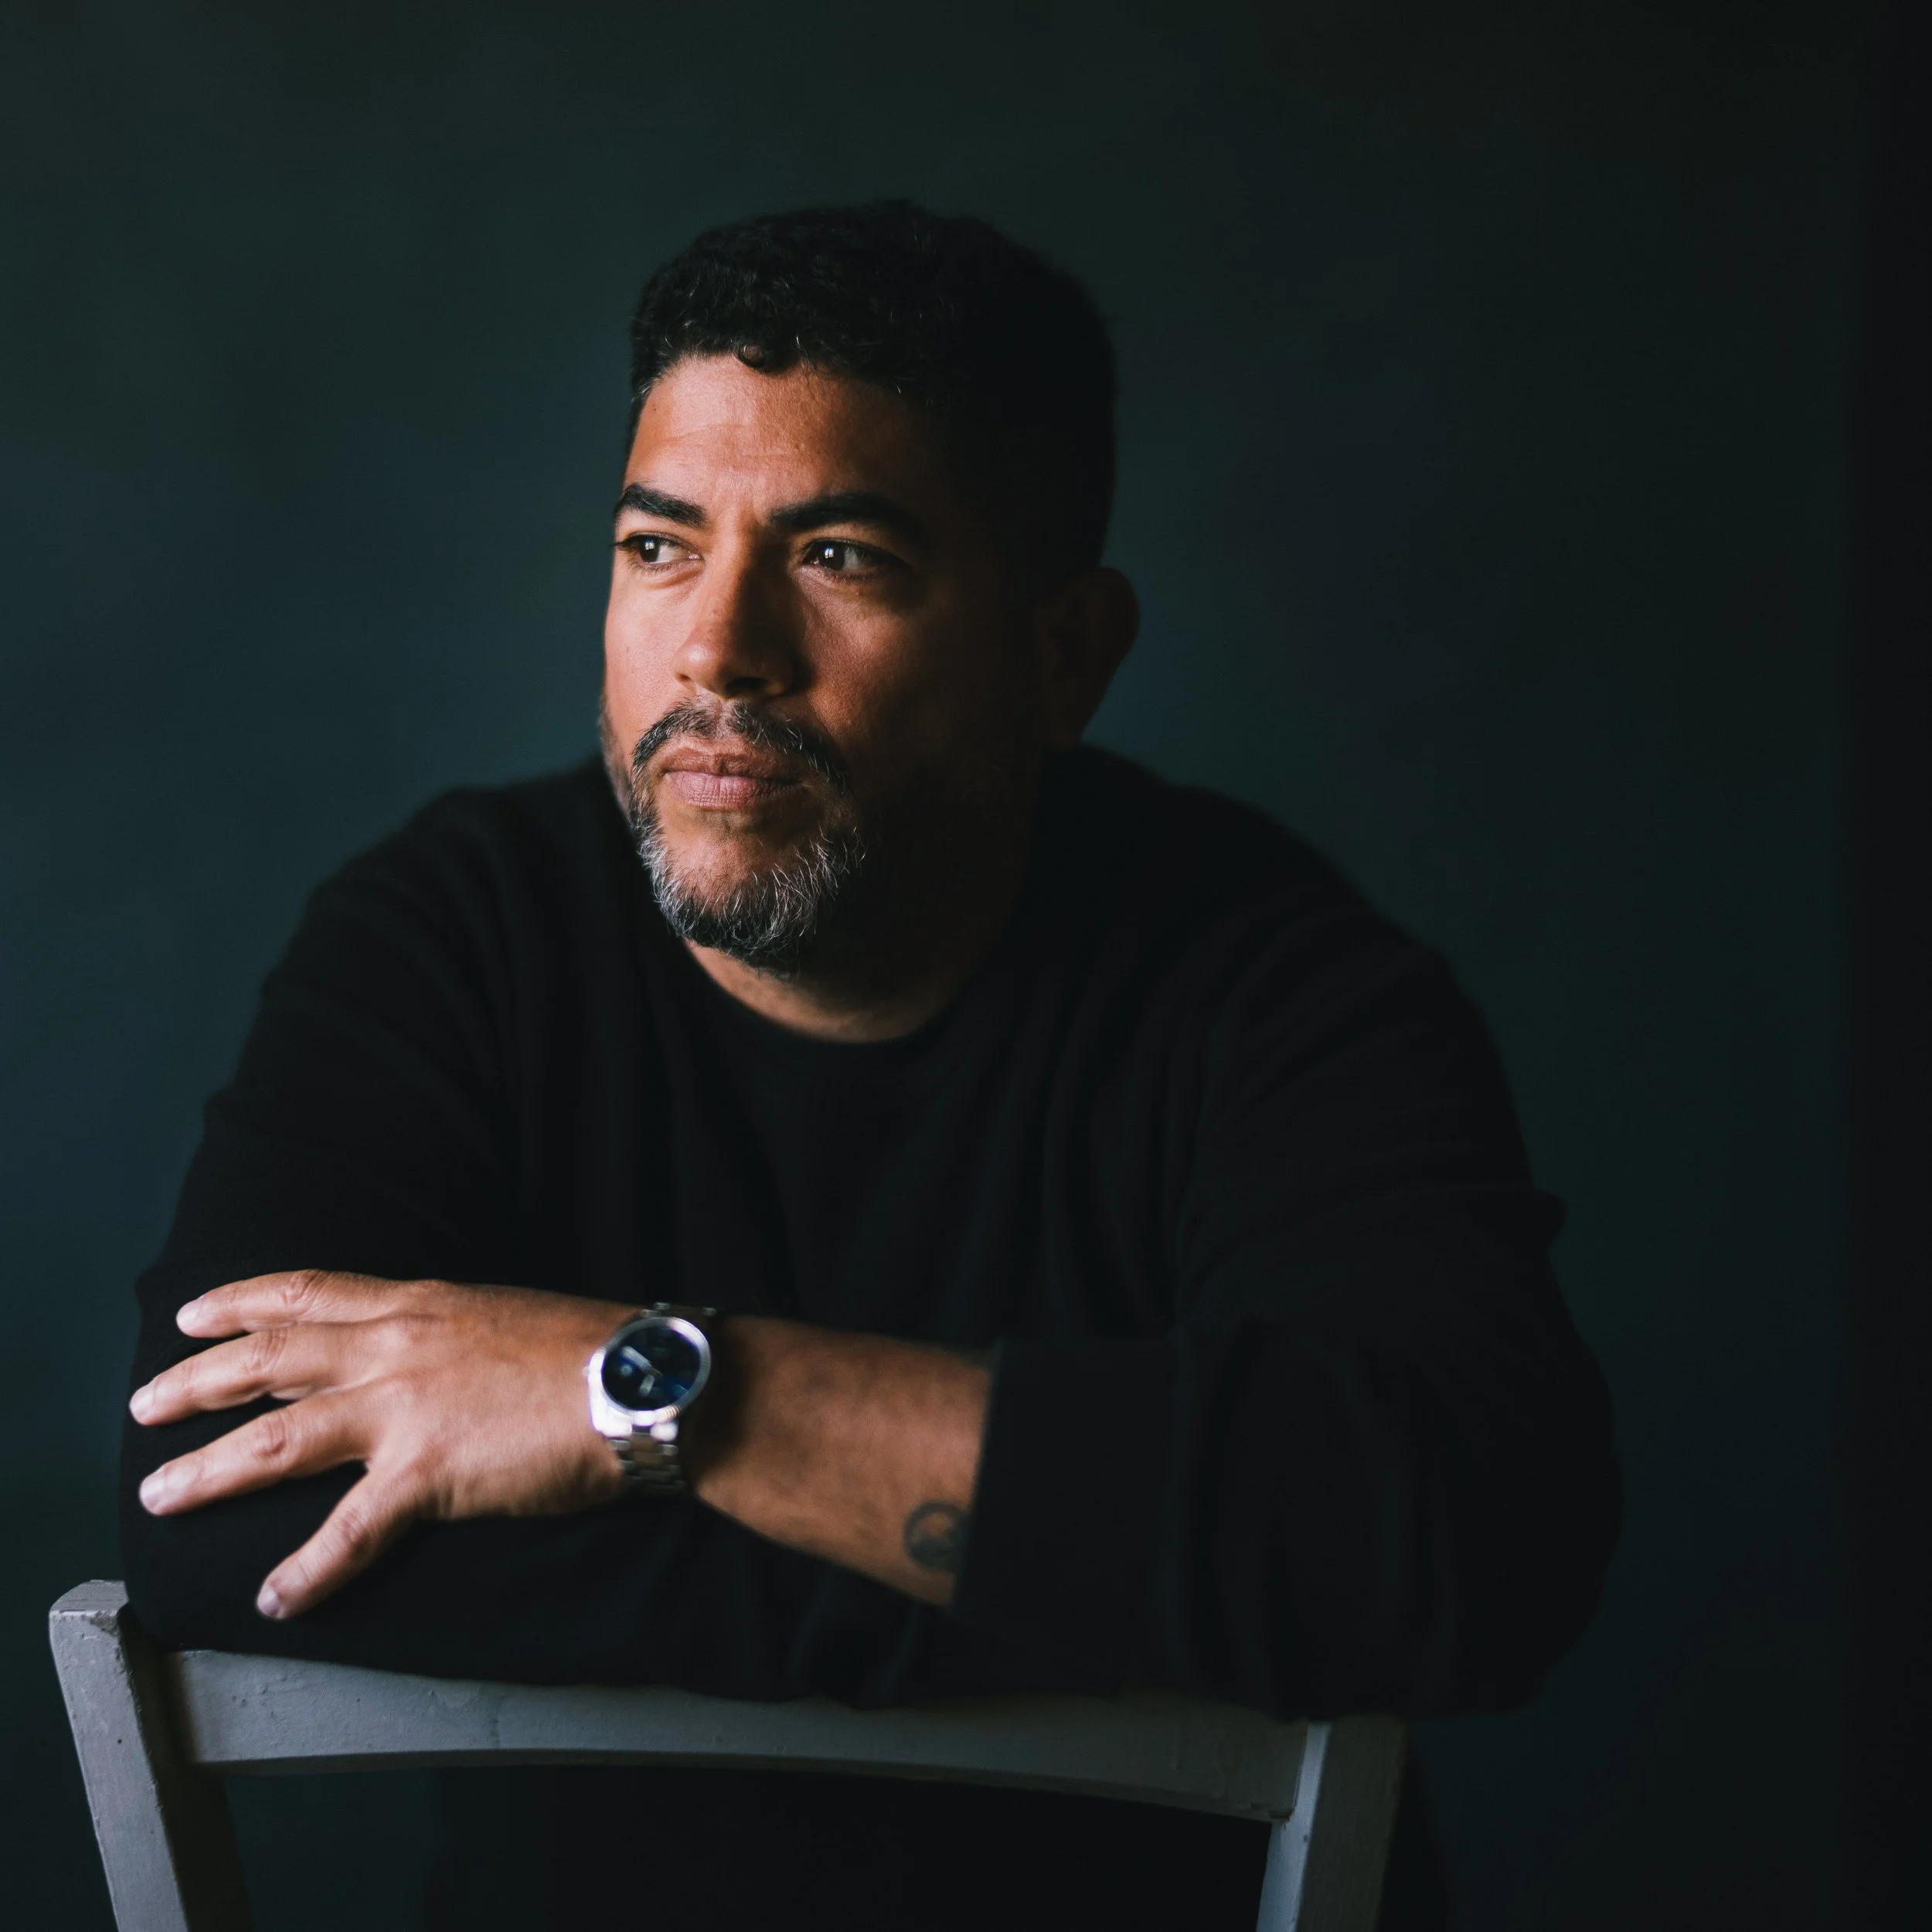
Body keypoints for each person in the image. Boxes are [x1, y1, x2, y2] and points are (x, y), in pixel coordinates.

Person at [119, 201, 1620, 1930]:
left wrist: (657, 1396)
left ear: (1063, 655)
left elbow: (1456, 1545)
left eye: (840, 555)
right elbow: (213, 1513)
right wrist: (1089, 1553)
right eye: (659, 545)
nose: (718, 648)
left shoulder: (1276, 988)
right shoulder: (452, 935)